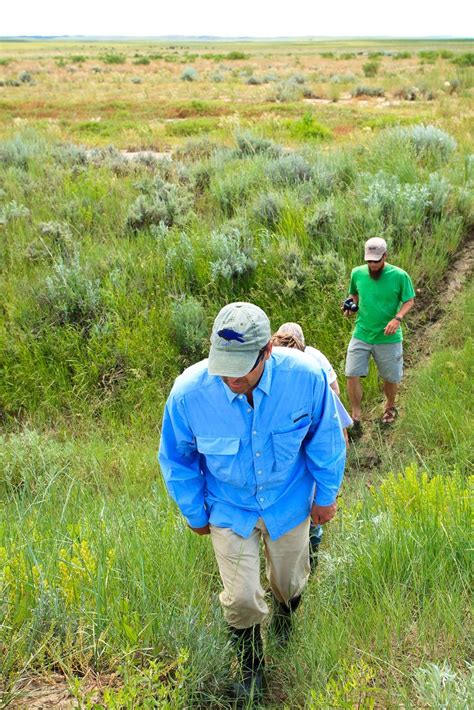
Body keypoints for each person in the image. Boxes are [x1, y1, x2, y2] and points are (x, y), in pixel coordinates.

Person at [159, 302, 346, 701]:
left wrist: (326, 496)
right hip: (229, 506)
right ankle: (251, 670)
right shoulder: (189, 394)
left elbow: (326, 439)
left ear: (267, 352)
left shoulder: (307, 378)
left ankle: (285, 618)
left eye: (241, 365)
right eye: (223, 363)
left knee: (290, 581)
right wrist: (194, 510)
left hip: (289, 499)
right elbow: (177, 456)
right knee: (242, 596)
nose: (230, 377)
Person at [271, 324, 352, 571]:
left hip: (311, 436)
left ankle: (311, 551)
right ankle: (304, 550)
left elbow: (333, 399)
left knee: (311, 491)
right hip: (292, 442)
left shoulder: (313, 365)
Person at [344, 237, 415, 435]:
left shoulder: (399, 276)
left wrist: (398, 318)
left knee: (390, 377)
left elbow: (409, 300)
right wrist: (351, 305)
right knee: (351, 373)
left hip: (388, 337)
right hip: (362, 334)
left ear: (385, 255)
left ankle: (390, 407)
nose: (373, 265)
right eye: (369, 261)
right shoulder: (357, 273)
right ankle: (356, 416)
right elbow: (354, 295)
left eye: (376, 260)